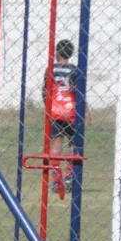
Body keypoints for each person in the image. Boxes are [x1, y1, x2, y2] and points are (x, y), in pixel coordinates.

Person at [47, 39, 79, 194]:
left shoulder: (51, 69)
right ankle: (68, 177)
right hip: (71, 111)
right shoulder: (74, 69)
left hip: (55, 110)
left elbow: (45, 90)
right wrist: (85, 110)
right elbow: (77, 91)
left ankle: (55, 181)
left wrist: (48, 106)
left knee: (56, 146)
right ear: (71, 53)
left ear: (57, 52)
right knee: (73, 145)